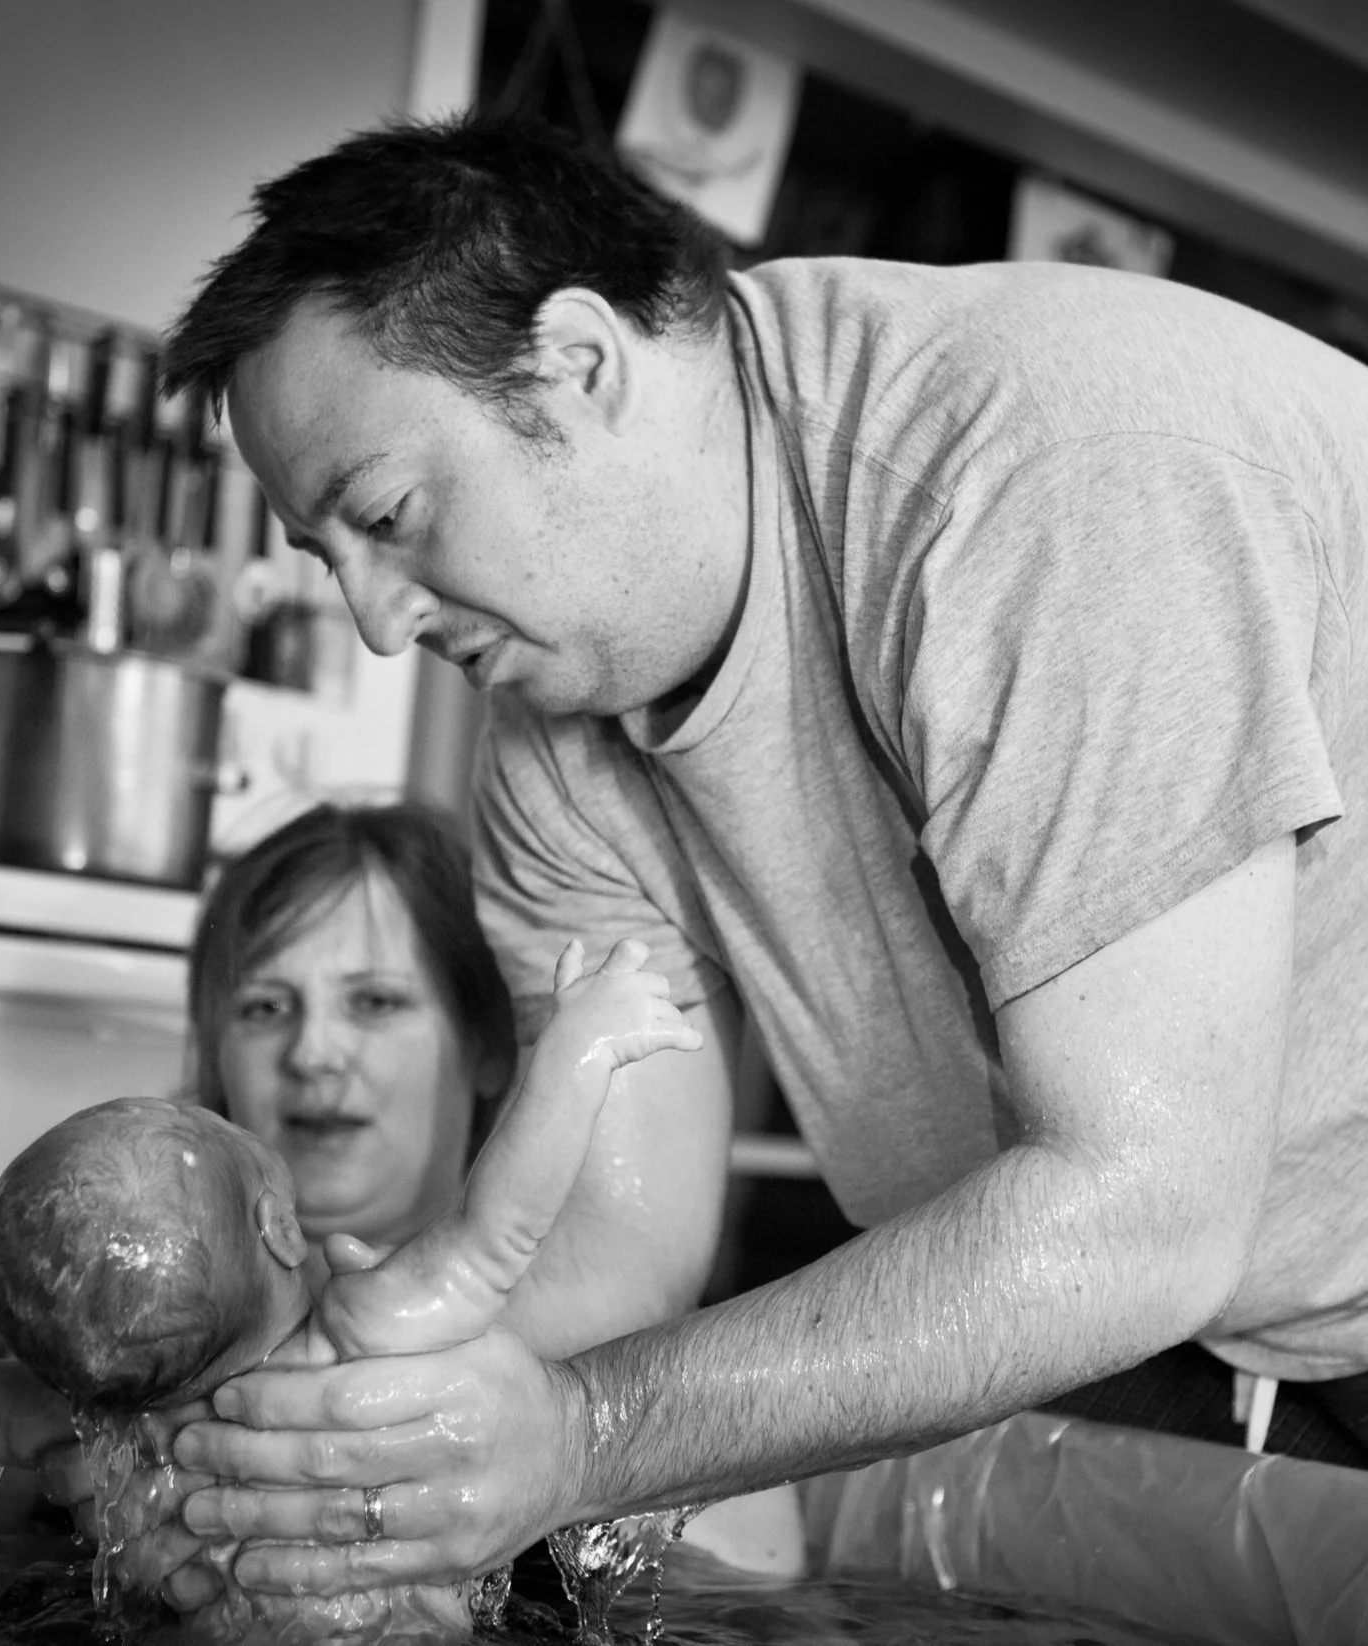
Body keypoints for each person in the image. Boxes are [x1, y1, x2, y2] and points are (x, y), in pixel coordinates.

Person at [135, 104, 1368, 1617]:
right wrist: (313, 1426)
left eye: (387, 516)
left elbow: (1138, 1209)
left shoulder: (1041, 481)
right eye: (333, 560)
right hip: (1158, 1324)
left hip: (1194, 1256)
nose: (380, 624)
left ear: (577, 364)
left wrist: (582, 1434)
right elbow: (623, 1239)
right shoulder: (552, 733)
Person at [0, 930, 701, 1638]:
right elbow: (504, 1220)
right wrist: (578, 1052)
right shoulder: (367, 1332)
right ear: (279, 1227)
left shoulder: (94, 1430)